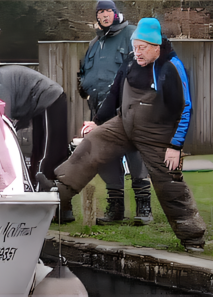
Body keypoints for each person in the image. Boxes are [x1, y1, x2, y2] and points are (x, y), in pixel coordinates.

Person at [40, 18, 206, 251]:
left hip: (157, 135)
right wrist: (97, 122)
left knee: (169, 183)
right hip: (124, 124)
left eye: (142, 48)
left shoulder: (172, 67)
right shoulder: (130, 62)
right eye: (134, 46)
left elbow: (185, 108)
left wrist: (176, 146)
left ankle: (193, 237)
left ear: (156, 46)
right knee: (93, 142)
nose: (136, 52)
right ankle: (58, 191)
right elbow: (115, 94)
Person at [79, 0, 145, 224]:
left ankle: (143, 207)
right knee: (106, 157)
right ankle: (115, 209)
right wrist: (84, 88)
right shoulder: (95, 43)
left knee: (133, 153)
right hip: (98, 110)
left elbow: (142, 66)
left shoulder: (131, 34)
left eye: (108, 11)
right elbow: (83, 72)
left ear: (116, 14)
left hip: (126, 108)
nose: (104, 15)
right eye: (100, 12)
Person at [0, 66, 69, 203]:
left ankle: (57, 200)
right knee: (37, 151)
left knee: (51, 152)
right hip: (35, 105)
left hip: (51, 98)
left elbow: (6, 120)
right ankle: (37, 194)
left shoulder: (1, 86)